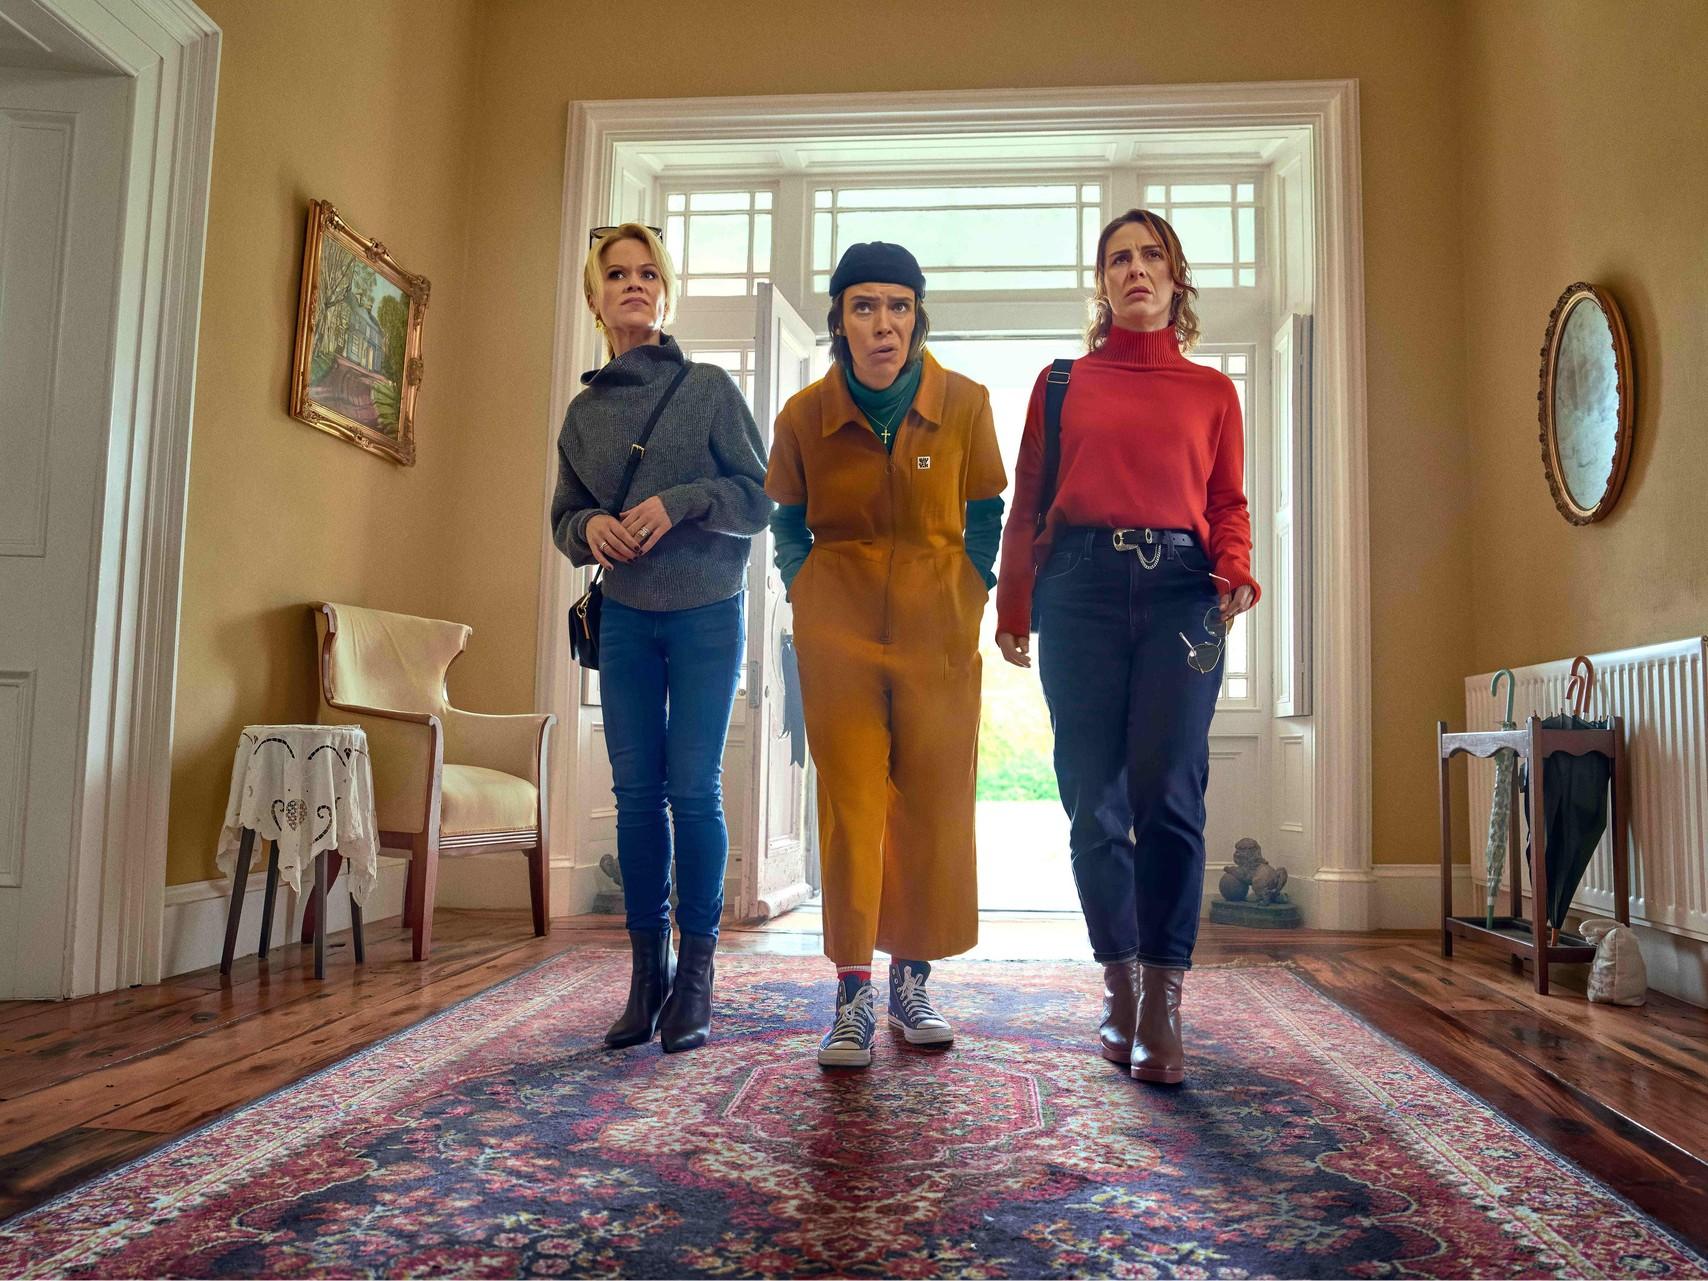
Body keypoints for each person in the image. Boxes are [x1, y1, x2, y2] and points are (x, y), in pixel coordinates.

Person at [993, 210, 1259, 1086]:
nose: (1135, 269)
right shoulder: (1063, 382)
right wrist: (1014, 602)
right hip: (1080, 590)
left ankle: (1163, 1003)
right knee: (1093, 796)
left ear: (1176, 278)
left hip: (1185, 594)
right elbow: (1028, 499)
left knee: (1170, 790)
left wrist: (1235, 567)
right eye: (1118, 259)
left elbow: (1227, 503)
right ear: (1102, 282)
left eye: (1151, 256)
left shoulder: (1213, 392)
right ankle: (1119, 983)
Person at [766, 242, 1007, 1069]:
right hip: (838, 627)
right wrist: (804, 585)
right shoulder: (804, 414)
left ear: (917, 317)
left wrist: (973, 584)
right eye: (864, 305)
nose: (883, 323)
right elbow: (786, 519)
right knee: (853, 806)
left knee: (933, 803)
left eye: (898, 305)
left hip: (938, 626)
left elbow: (986, 509)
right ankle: (852, 994)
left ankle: (912, 981)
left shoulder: (965, 404)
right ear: (839, 320)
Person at [551, 223, 771, 1053]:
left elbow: (762, 497)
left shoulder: (707, 388)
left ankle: (697, 976)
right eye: (617, 274)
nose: (634, 284)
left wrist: (681, 503)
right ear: (595, 296)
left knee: (694, 789)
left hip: (709, 611)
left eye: (648, 273)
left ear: (665, 293)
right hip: (628, 620)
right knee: (637, 794)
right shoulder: (582, 416)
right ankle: (648, 974)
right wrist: (590, 528)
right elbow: (563, 517)